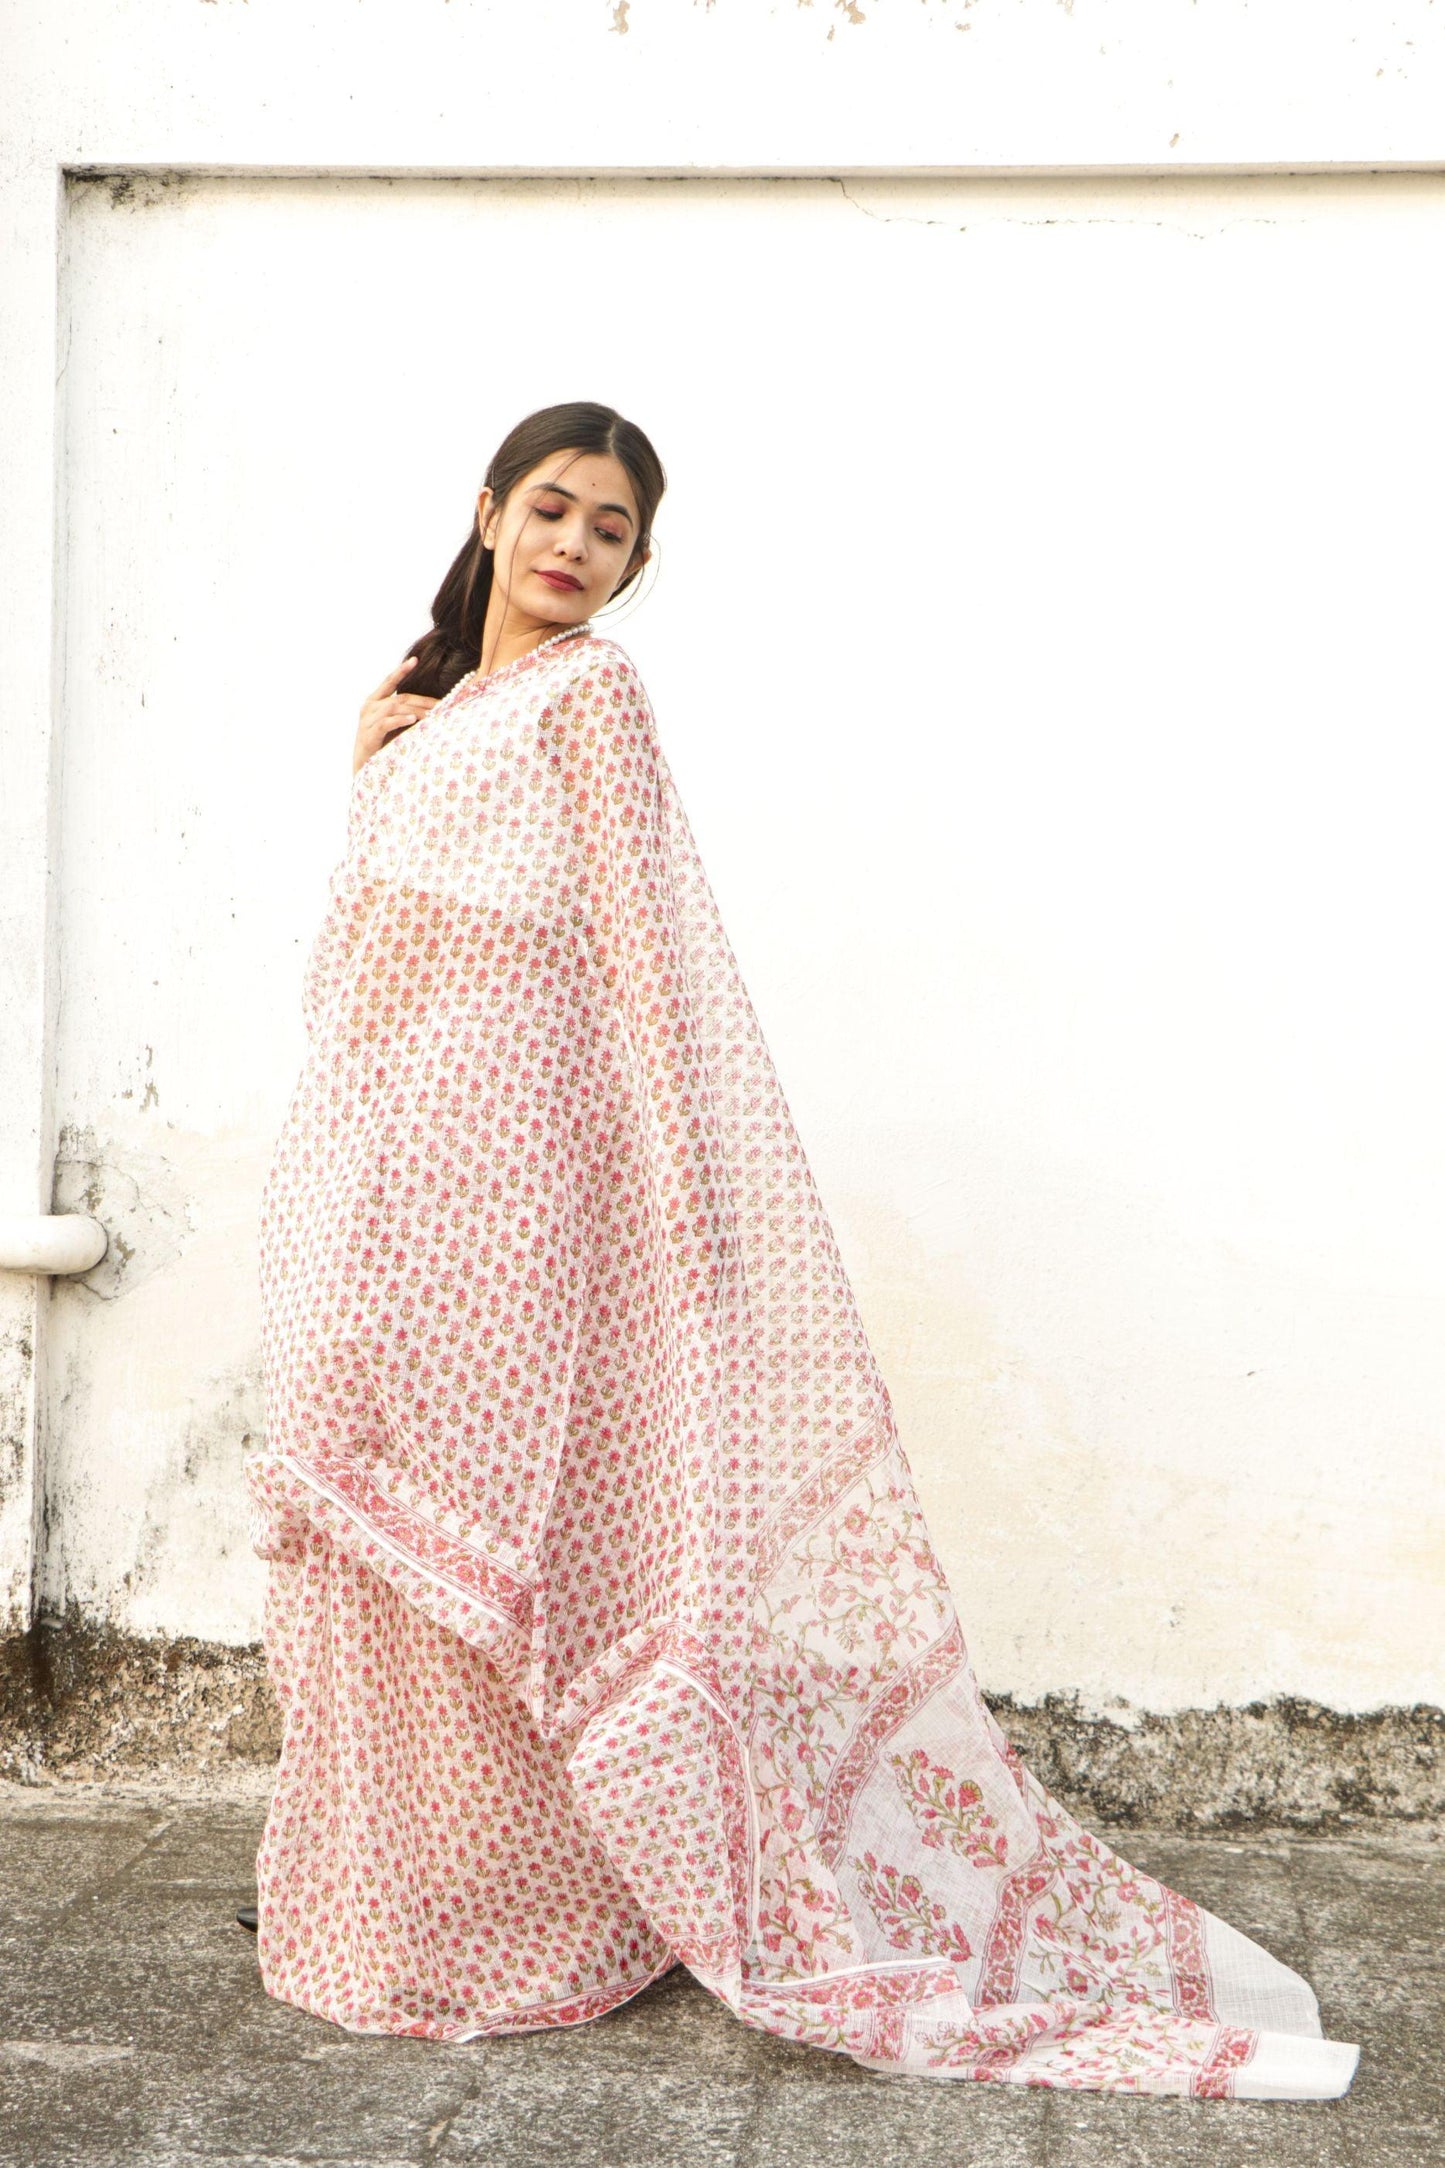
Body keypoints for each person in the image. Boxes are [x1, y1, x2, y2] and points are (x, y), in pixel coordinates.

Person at [243, 400, 1358, 2098]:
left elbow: (647, 947)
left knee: (503, 1544)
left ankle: (530, 1915)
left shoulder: (592, 696)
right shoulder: (424, 715)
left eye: (611, 529)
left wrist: (688, 1200)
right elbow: (362, 966)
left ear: (635, 560)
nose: (574, 545)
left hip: (516, 1187)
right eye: (552, 507)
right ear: (486, 510)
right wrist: (371, 771)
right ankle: (400, 1898)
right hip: (375, 1181)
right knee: (373, 1537)